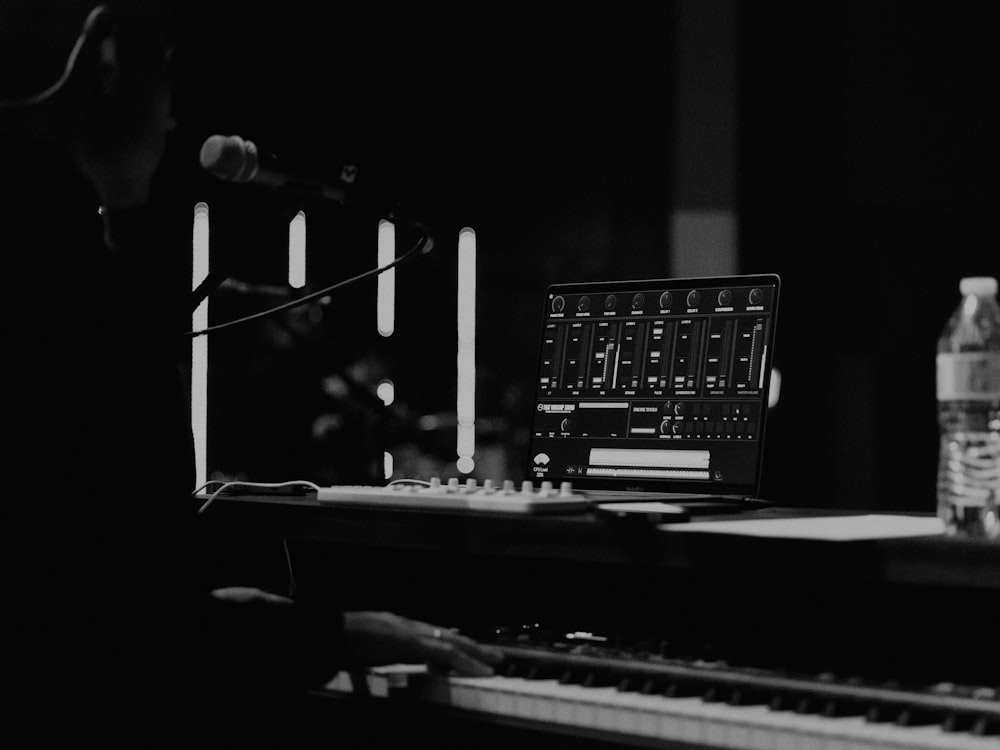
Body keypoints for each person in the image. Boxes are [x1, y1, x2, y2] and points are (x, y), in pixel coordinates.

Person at [0, 2, 502, 747]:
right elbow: (115, 645)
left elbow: (66, 579)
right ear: (106, 63)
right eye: (165, 74)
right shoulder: (82, 295)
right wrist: (328, 633)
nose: (171, 122)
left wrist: (187, 603)